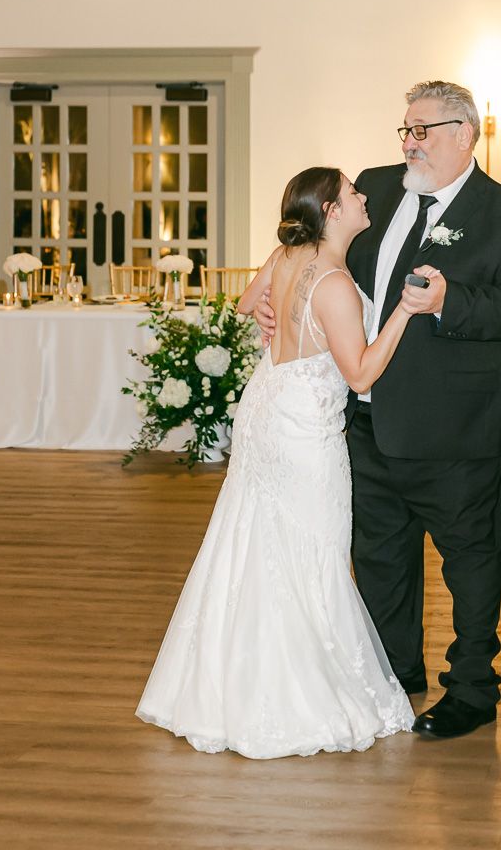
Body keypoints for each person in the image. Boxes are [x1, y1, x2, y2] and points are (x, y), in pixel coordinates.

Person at [257, 81, 501, 740]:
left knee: (470, 560)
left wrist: (451, 300)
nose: (409, 142)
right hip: (363, 417)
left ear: (464, 133)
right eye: (406, 130)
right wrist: (277, 297)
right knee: (381, 555)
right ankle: (393, 670)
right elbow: (315, 255)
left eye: (423, 131)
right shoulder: (375, 187)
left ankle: (473, 687)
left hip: (453, 427)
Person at [136, 167, 426, 758]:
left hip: (268, 405)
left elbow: (247, 303)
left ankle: (227, 686)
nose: (363, 196)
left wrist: (269, 312)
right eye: (351, 193)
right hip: (303, 432)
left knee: (252, 540)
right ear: (332, 210)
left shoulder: (285, 252)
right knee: (314, 552)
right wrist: (403, 311)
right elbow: (361, 372)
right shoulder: (337, 285)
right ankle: (299, 694)